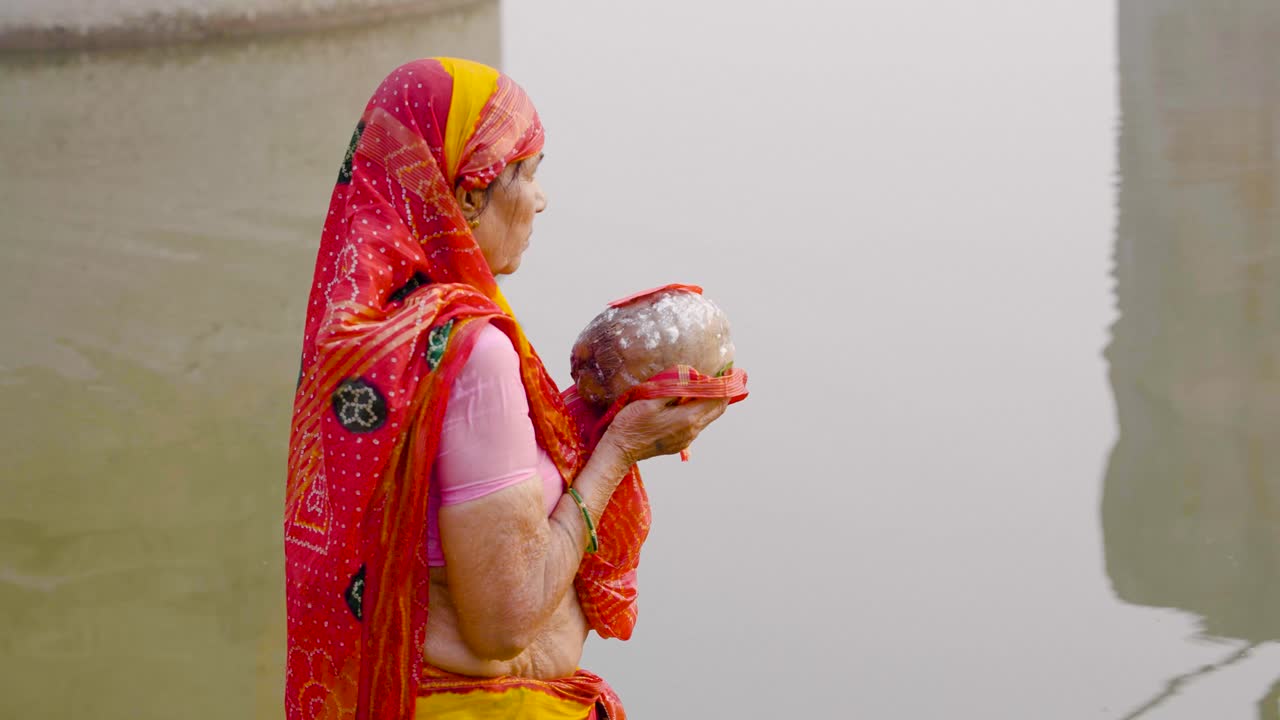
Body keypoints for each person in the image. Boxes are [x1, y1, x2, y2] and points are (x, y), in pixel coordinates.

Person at [284, 58, 735, 720]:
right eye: (528, 171)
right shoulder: (476, 355)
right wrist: (619, 453)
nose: (541, 198)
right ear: (467, 195)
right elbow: (503, 624)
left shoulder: (380, 336)